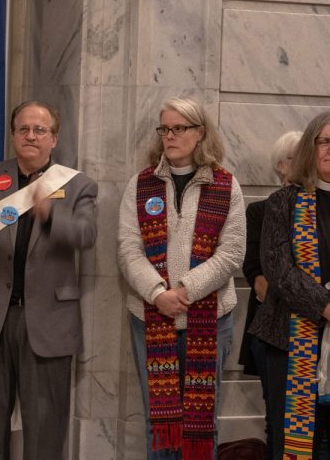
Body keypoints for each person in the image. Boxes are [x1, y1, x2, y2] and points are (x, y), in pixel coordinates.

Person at [0, 101, 98, 460]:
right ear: (13, 135)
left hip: (48, 321)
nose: (30, 136)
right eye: (23, 129)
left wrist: (49, 218)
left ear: (54, 139)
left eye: (39, 130)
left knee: (45, 430)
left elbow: (86, 234)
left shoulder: (77, 184)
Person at [117, 97, 244, 460]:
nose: (169, 136)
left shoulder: (225, 185)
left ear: (199, 132)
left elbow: (232, 252)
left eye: (179, 128)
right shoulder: (141, 185)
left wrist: (186, 289)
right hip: (151, 318)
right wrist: (158, 294)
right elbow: (128, 248)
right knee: (159, 423)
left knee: (202, 422)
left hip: (210, 319)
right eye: (164, 128)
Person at [250, 111, 330, 458]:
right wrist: (325, 304)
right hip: (289, 336)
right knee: (294, 443)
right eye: (324, 140)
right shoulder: (285, 202)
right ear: (310, 147)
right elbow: (278, 268)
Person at [238, 131, 301, 458]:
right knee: (278, 419)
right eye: (294, 158)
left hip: (313, 327)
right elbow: (256, 275)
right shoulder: (261, 211)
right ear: (281, 165)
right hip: (272, 328)